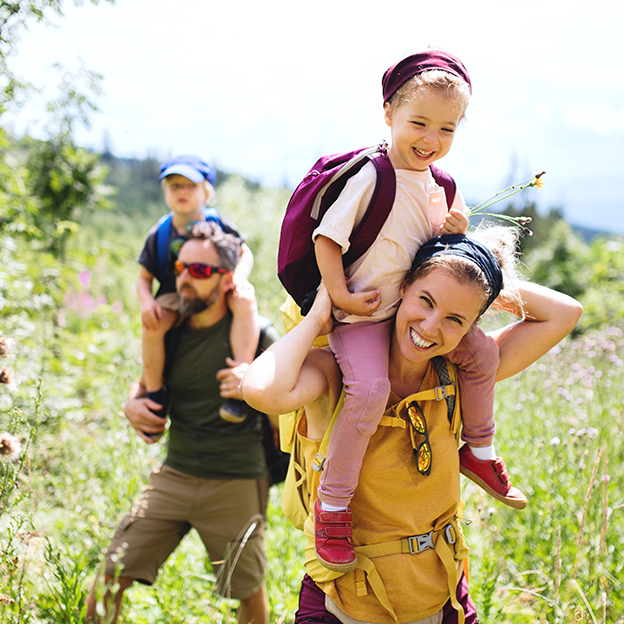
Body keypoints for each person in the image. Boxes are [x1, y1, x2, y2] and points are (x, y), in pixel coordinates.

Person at [242, 230, 583, 623]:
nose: (431, 327)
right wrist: (320, 316)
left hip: (442, 597)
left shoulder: (461, 374)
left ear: (471, 326)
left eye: (455, 319)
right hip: (344, 604)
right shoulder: (336, 373)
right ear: (401, 287)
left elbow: (565, 313)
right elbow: (261, 390)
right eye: (426, 300)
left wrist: (476, 271)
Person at [308, 50, 523, 572]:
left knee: (480, 357)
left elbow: (438, 255)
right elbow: (327, 238)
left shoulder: (439, 185)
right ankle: (333, 505)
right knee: (370, 389)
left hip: (410, 310)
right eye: (419, 123)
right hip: (363, 315)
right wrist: (338, 297)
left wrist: (453, 230)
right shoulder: (371, 175)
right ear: (388, 114)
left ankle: (479, 448)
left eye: (446, 129)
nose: (431, 138)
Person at [87, 222, 278, 624]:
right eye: (180, 267)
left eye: (200, 271)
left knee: (247, 590)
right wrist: (131, 406)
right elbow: (144, 388)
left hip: (237, 478)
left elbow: (289, 412)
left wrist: (257, 390)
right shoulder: (169, 330)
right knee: (110, 574)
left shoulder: (258, 335)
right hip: (175, 473)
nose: (185, 278)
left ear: (227, 280)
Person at [137, 154, 258, 424]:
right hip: (174, 293)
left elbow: (244, 253)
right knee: (152, 326)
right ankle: (155, 393)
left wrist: (238, 278)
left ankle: (238, 380)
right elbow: (143, 277)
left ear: (207, 192)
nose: (182, 192)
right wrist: (147, 302)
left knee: (245, 301)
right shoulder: (159, 233)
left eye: (190, 186)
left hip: (216, 288)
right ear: (164, 191)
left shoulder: (219, 224)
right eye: (174, 185)